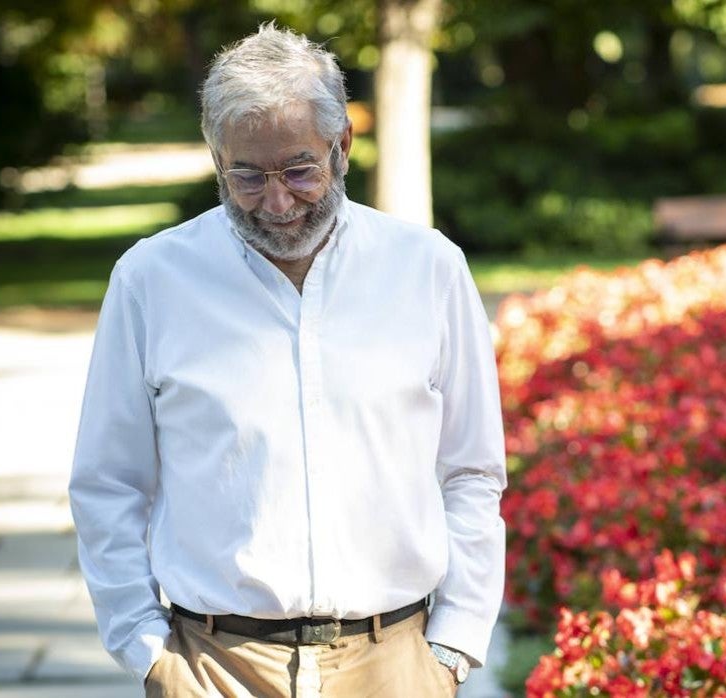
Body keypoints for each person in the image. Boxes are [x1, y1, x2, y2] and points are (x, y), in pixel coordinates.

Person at [68, 23, 506, 697]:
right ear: (216, 157)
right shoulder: (150, 280)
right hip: (214, 667)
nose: (277, 202)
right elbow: (109, 482)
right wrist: (149, 652)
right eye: (246, 175)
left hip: (396, 665)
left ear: (343, 145)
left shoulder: (429, 270)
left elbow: (472, 470)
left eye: (300, 170)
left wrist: (452, 645)